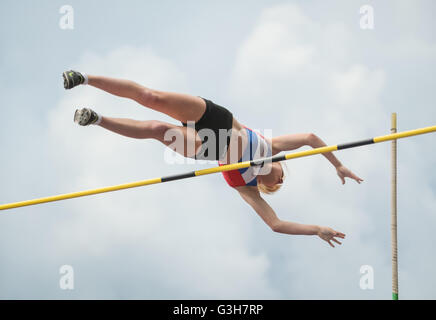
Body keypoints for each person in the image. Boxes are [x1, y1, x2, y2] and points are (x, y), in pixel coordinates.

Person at [63, 70, 363, 248]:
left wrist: (317, 230)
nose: (281, 175)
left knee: (157, 130)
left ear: (269, 185)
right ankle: (84, 78)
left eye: (280, 182)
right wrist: (338, 165)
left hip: (205, 148)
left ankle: (96, 118)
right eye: (284, 172)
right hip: (219, 120)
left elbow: (275, 224)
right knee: (151, 97)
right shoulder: (272, 147)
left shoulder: (246, 187)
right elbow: (311, 138)